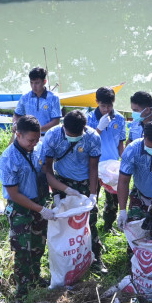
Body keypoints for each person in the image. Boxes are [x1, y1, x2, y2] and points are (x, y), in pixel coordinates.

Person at [0, 115, 55, 297]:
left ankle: (36, 277)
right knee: (22, 250)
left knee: (39, 244)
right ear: (18, 135)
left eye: (37, 140)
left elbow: (45, 172)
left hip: (39, 203)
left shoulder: (36, 149)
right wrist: (41, 210)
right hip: (20, 209)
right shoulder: (8, 159)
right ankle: (22, 290)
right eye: (30, 140)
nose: (34, 144)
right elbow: (14, 194)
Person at [42, 110, 105, 273]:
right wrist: (56, 193)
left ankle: (95, 258)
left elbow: (93, 168)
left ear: (84, 128)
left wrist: (93, 194)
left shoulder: (92, 137)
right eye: (70, 135)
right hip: (61, 181)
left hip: (85, 182)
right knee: (63, 222)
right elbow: (47, 170)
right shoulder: (52, 136)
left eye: (77, 135)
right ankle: (66, 260)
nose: (74, 137)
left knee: (89, 221)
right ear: (63, 127)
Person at [87, 86, 126, 232]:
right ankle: (91, 227)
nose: (106, 109)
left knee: (113, 199)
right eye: (103, 106)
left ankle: (108, 226)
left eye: (109, 105)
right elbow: (87, 142)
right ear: (97, 102)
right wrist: (99, 128)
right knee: (92, 195)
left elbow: (120, 143)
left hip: (112, 166)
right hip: (94, 164)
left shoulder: (120, 119)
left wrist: (124, 161)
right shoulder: (89, 118)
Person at [12, 67, 62, 134]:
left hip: (48, 136)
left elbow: (55, 121)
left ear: (44, 82)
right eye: (31, 83)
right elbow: (17, 115)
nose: (33, 86)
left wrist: (38, 130)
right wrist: (15, 123)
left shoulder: (53, 98)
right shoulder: (25, 97)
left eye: (37, 83)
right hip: (28, 136)